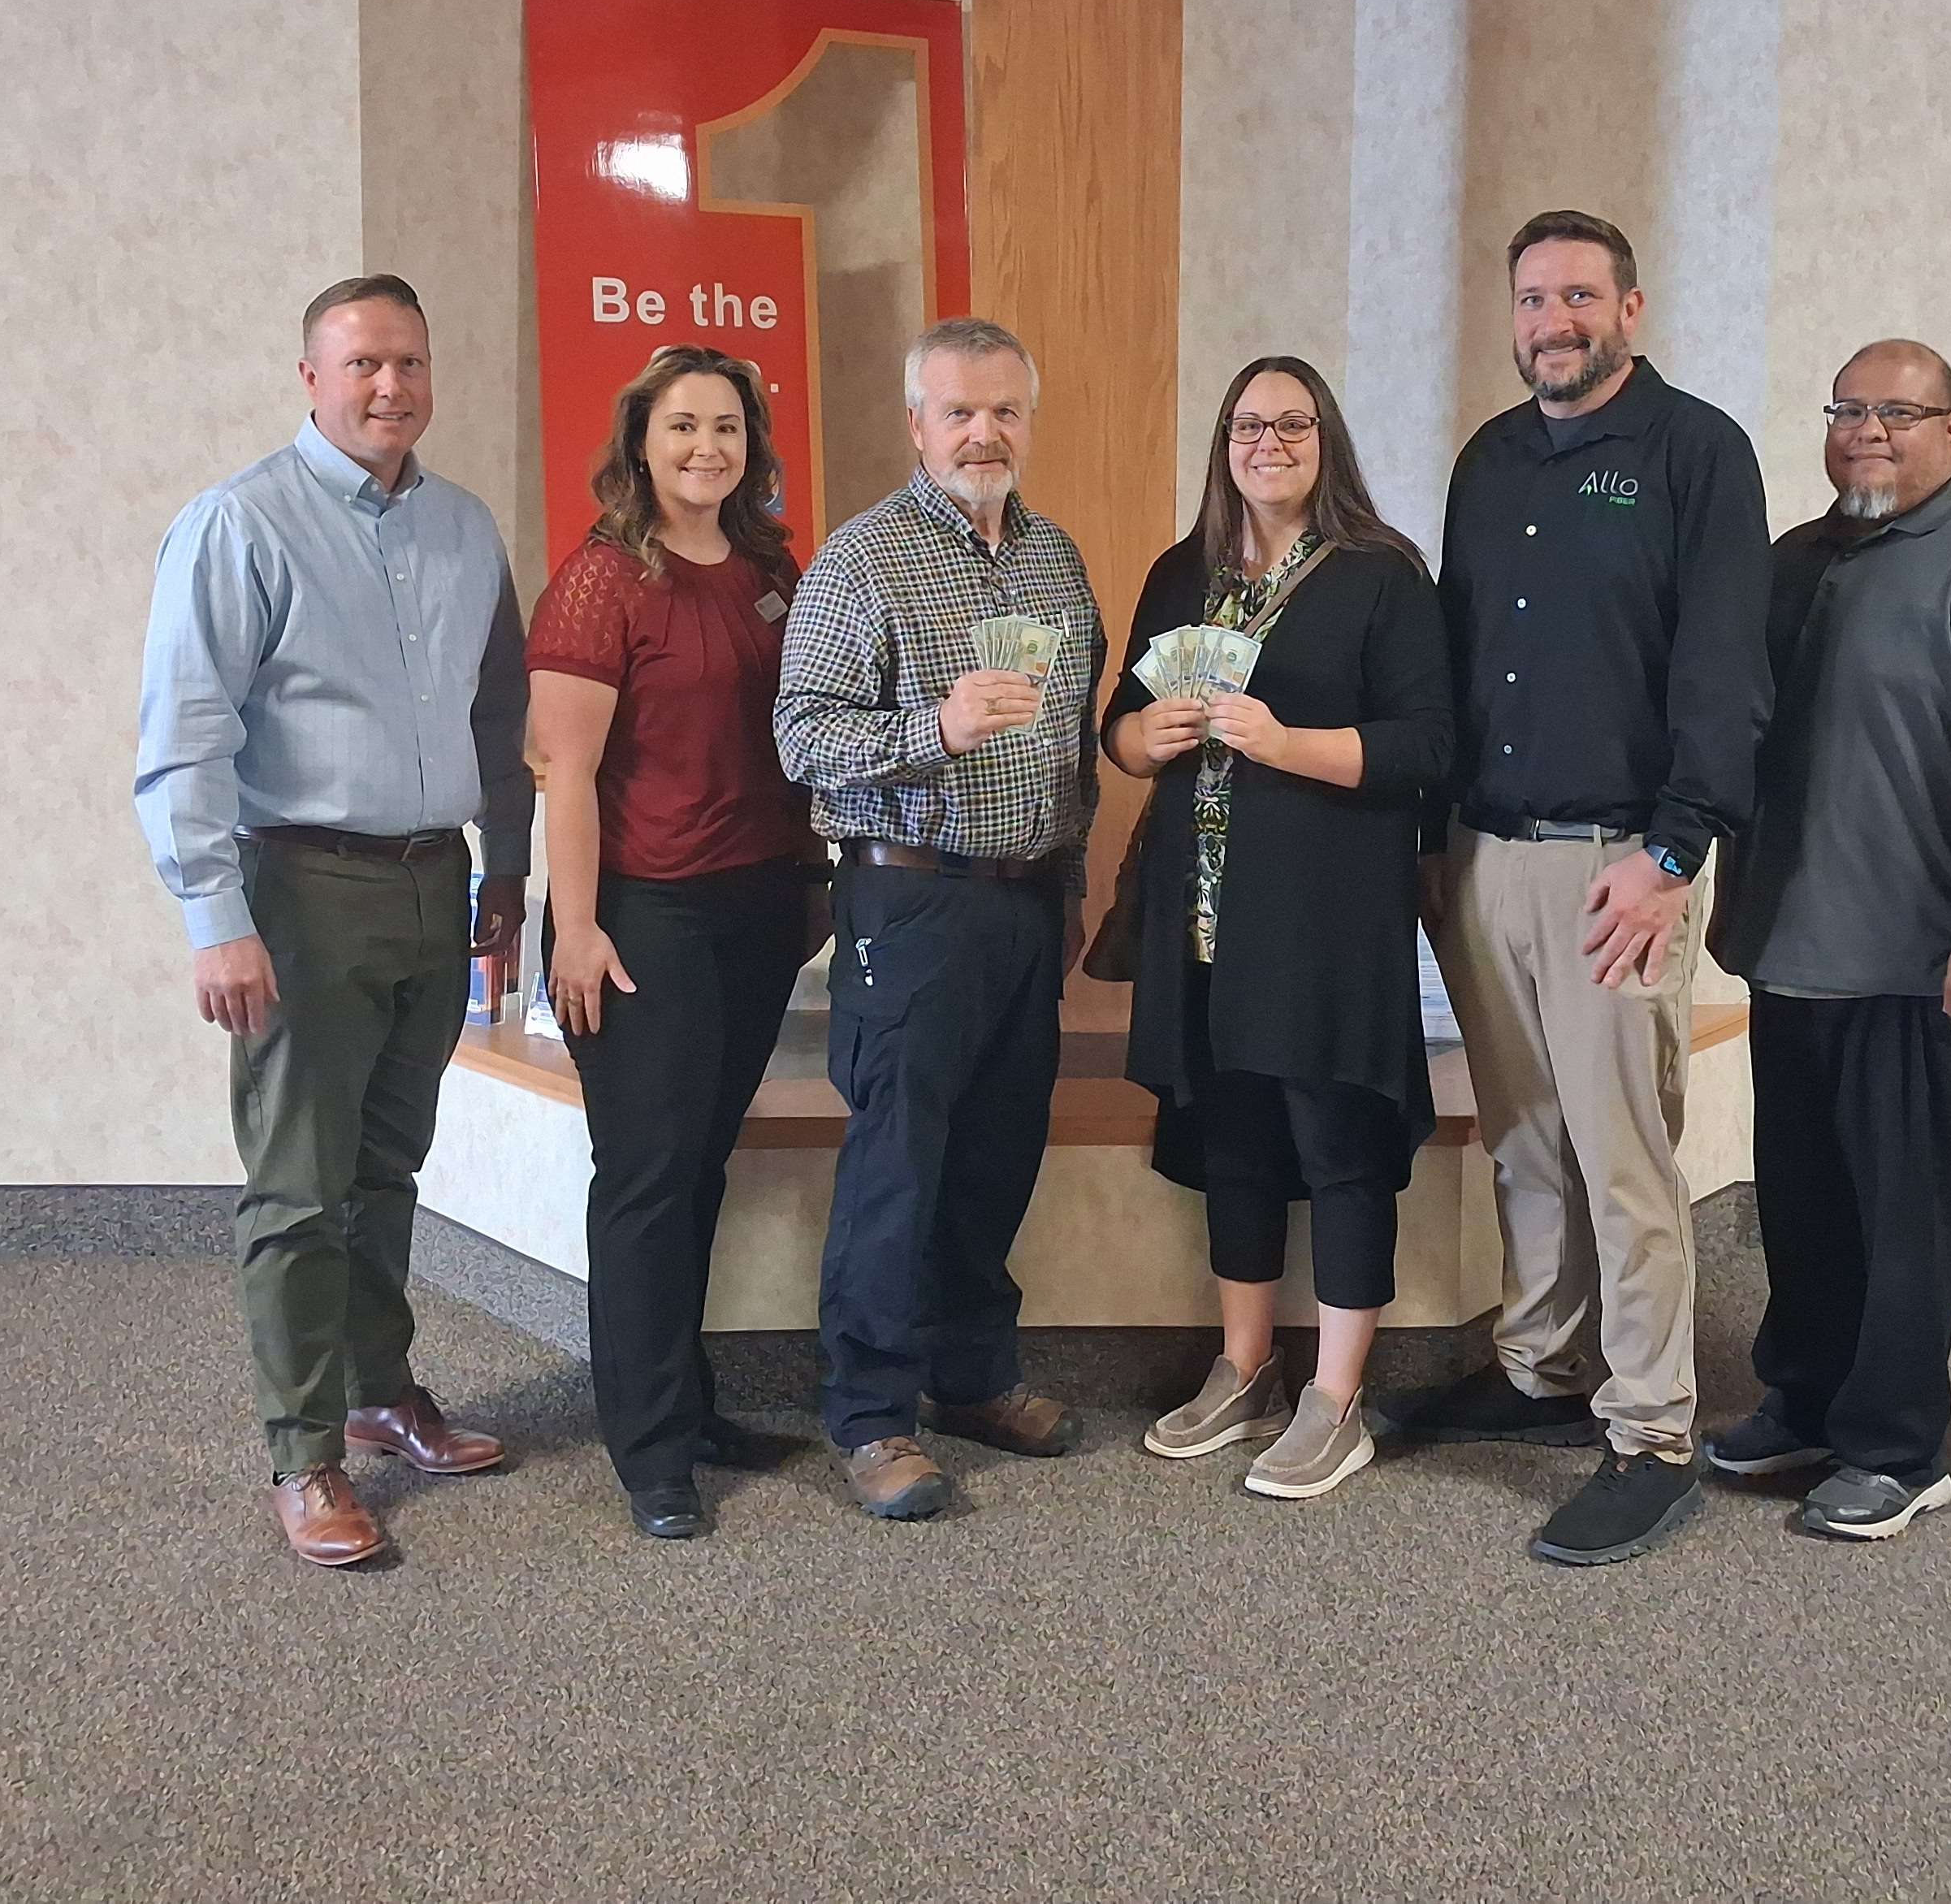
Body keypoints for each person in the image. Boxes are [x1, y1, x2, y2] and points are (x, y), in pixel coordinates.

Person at [135, 275, 531, 1569]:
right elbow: (187, 732)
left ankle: (379, 1392)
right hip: (298, 894)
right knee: (300, 1192)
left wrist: (504, 876)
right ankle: (303, 1455)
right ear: (310, 378)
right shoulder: (238, 524)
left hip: (433, 886)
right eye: (362, 363)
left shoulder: (467, 529)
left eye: (409, 363)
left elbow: (496, 722)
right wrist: (215, 916)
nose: (390, 387)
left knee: (385, 1172)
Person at [1403, 209, 1772, 1569]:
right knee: (1528, 1138)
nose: (1550, 321)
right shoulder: (1490, 460)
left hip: (1624, 861)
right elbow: (1453, 653)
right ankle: (1543, 1367)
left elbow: (1726, 667)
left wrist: (1675, 852)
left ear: (1629, 308)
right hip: (1488, 856)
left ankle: (1652, 1428)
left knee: (1625, 1153)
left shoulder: (1697, 453)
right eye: (1531, 300)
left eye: (1576, 297)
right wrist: (1436, 847)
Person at [1704, 341, 1951, 1540]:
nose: (1869, 431)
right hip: (1790, 943)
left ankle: (1896, 1445)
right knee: (1806, 1197)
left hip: (1923, 959)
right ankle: (1808, 1400)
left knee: (1901, 1211)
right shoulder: (1795, 562)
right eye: (1848, 410)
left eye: (1899, 412)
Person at [773, 316, 1103, 1521]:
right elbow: (801, 738)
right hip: (908, 900)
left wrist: (1068, 890)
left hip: (1024, 904)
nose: (984, 432)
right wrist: (935, 731)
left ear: (1028, 418)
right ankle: (870, 1417)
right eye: (959, 411)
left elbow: (1076, 741)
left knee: (997, 1158)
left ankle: (973, 1378)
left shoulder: (1057, 560)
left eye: (1005, 410)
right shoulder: (860, 561)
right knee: (897, 1166)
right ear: (917, 423)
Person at [1106, 357, 1453, 1501]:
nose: (1270, 442)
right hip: (1201, 918)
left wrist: (1285, 742)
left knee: (1336, 1136)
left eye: (1293, 423)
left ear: (1327, 439)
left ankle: (1336, 1398)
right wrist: (1141, 743)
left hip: (1326, 919)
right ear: (1224, 442)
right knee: (1235, 1136)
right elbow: (1122, 723)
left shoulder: (1380, 576)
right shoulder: (1183, 572)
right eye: (1249, 424)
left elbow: (1422, 749)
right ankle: (1246, 1366)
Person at [528, 346, 828, 1543]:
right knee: (647, 1183)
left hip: (756, 910)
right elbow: (569, 774)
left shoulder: (766, 565)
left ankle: (689, 1410)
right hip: (643, 916)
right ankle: (649, 1451)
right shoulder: (602, 582)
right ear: (639, 443)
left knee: (700, 1166)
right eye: (683, 428)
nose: (707, 448)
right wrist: (580, 930)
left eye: (727, 429)